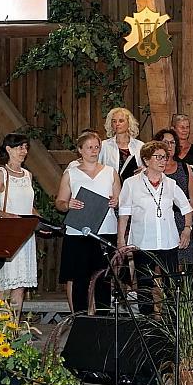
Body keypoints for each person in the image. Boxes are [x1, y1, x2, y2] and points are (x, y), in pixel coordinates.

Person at [117, 141, 193, 315]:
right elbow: (124, 214)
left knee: (171, 285)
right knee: (144, 286)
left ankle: (173, 322)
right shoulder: (131, 183)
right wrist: (121, 239)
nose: (162, 161)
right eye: (157, 157)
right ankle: (147, 325)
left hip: (168, 242)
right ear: (146, 159)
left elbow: (187, 208)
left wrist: (187, 229)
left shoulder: (171, 184)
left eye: (164, 157)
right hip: (142, 243)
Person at [55, 131, 120, 314]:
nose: (93, 151)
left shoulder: (110, 172)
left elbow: (121, 199)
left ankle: (103, 320)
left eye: (96, 147)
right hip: (78, 232)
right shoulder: (71, 174)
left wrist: (116, 202)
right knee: (79, 278)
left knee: (103, 277)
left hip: (105, 230)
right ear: (80, 150)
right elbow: (59, 203)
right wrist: (68, 204)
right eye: (89, 147)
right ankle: (81, 320)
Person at [0, 133, 38, 318]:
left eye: (25, 147)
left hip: (26, 235)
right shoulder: (2, 173)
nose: (24, 151)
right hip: (9, 235)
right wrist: (7, 216)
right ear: (8, 149)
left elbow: (29, 207)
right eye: (20, 147)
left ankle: (13, 329)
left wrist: (40, 221)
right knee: (7, 283)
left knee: (20, 285)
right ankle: (0, 329)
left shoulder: (28, 175)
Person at [152, 128, 193, 267]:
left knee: (182, 264)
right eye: (165, 142)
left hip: (183, 221)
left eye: (172, 143)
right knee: (160, 265)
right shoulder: (152, 169)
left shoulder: (185, 168)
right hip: (160, 222)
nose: (169, 146)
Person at [171, 114, 193, 266]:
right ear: (173, 129)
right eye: (181, 127)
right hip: (171, 204)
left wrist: (186, 183)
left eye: (187, 127)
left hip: (192, 200)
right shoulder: (168, 152)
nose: (185, 130)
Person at [100, 107, 144, 181]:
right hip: (110, 187)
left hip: (134, 186)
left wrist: (142, 171)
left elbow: (146, 167)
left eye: (121, 121)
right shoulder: (104, 145)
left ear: (129, 122)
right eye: (114, 121)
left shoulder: (140, 146)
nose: (117, 124)